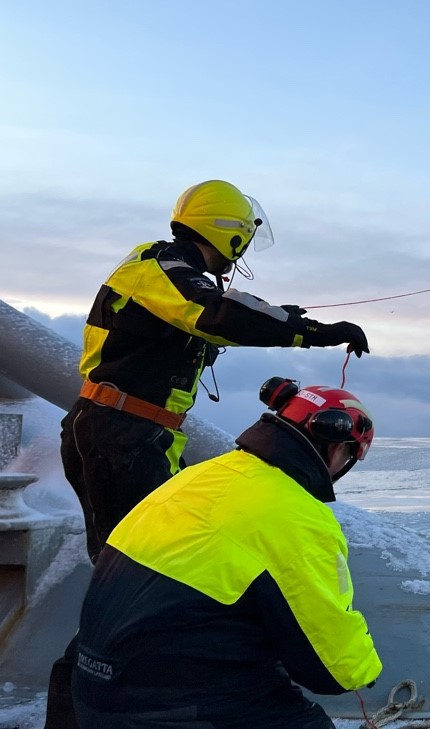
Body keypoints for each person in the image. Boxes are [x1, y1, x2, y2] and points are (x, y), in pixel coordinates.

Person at [46, 179, 369, 728]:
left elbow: (221, 311)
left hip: (134, 436)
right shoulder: (161, 266)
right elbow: (220, 313)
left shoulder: (172, 275)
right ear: (230, 231)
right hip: (119, 434)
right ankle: (97, 706)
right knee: (132, 582)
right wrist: (314, 331)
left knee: (138, 578)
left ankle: (129, 696)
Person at [70, 378, 383, 728]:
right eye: (349, 456)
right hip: (167, 711)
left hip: (90, 692)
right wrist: (365, 668)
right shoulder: (299, 517)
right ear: (337, 449)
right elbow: (331, 671)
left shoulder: (198, 477)